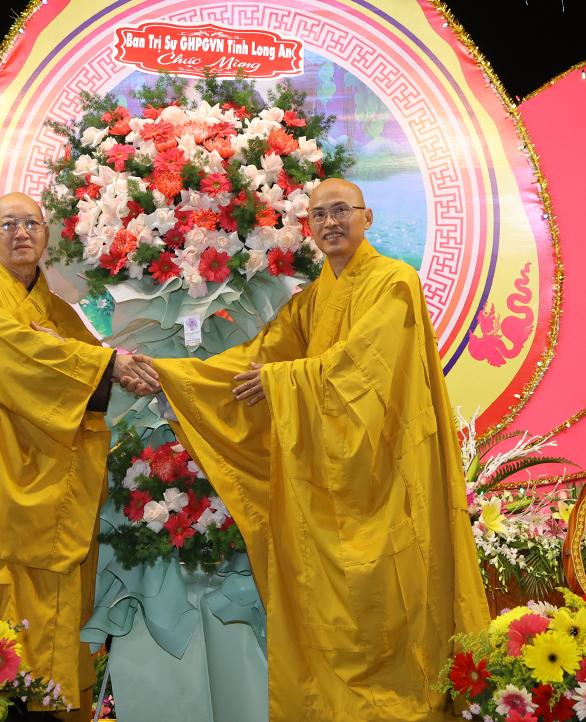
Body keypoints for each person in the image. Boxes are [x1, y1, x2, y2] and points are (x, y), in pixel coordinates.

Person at [124, 179, 490, 720]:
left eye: (341, 210)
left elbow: (362, 367)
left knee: (395, 602)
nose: (330, 222)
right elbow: (256, 360)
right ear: (308, 227)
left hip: (386, 478)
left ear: (367, 217)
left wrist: (282, 380)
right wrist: (170, 375)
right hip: (326, 487)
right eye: (318, 214)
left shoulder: (395, 282)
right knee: (326, 613)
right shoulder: (311, 303)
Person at [0, 192, 158, 720]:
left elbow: (93, 370)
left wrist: (121, 369)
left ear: (45, 234)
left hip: (62, 480)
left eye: (31, 223)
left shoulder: (61, 313)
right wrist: (99, 363)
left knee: (62, 602)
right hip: (3, 469)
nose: (21, 233)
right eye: (8, 224)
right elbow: (25, 356)